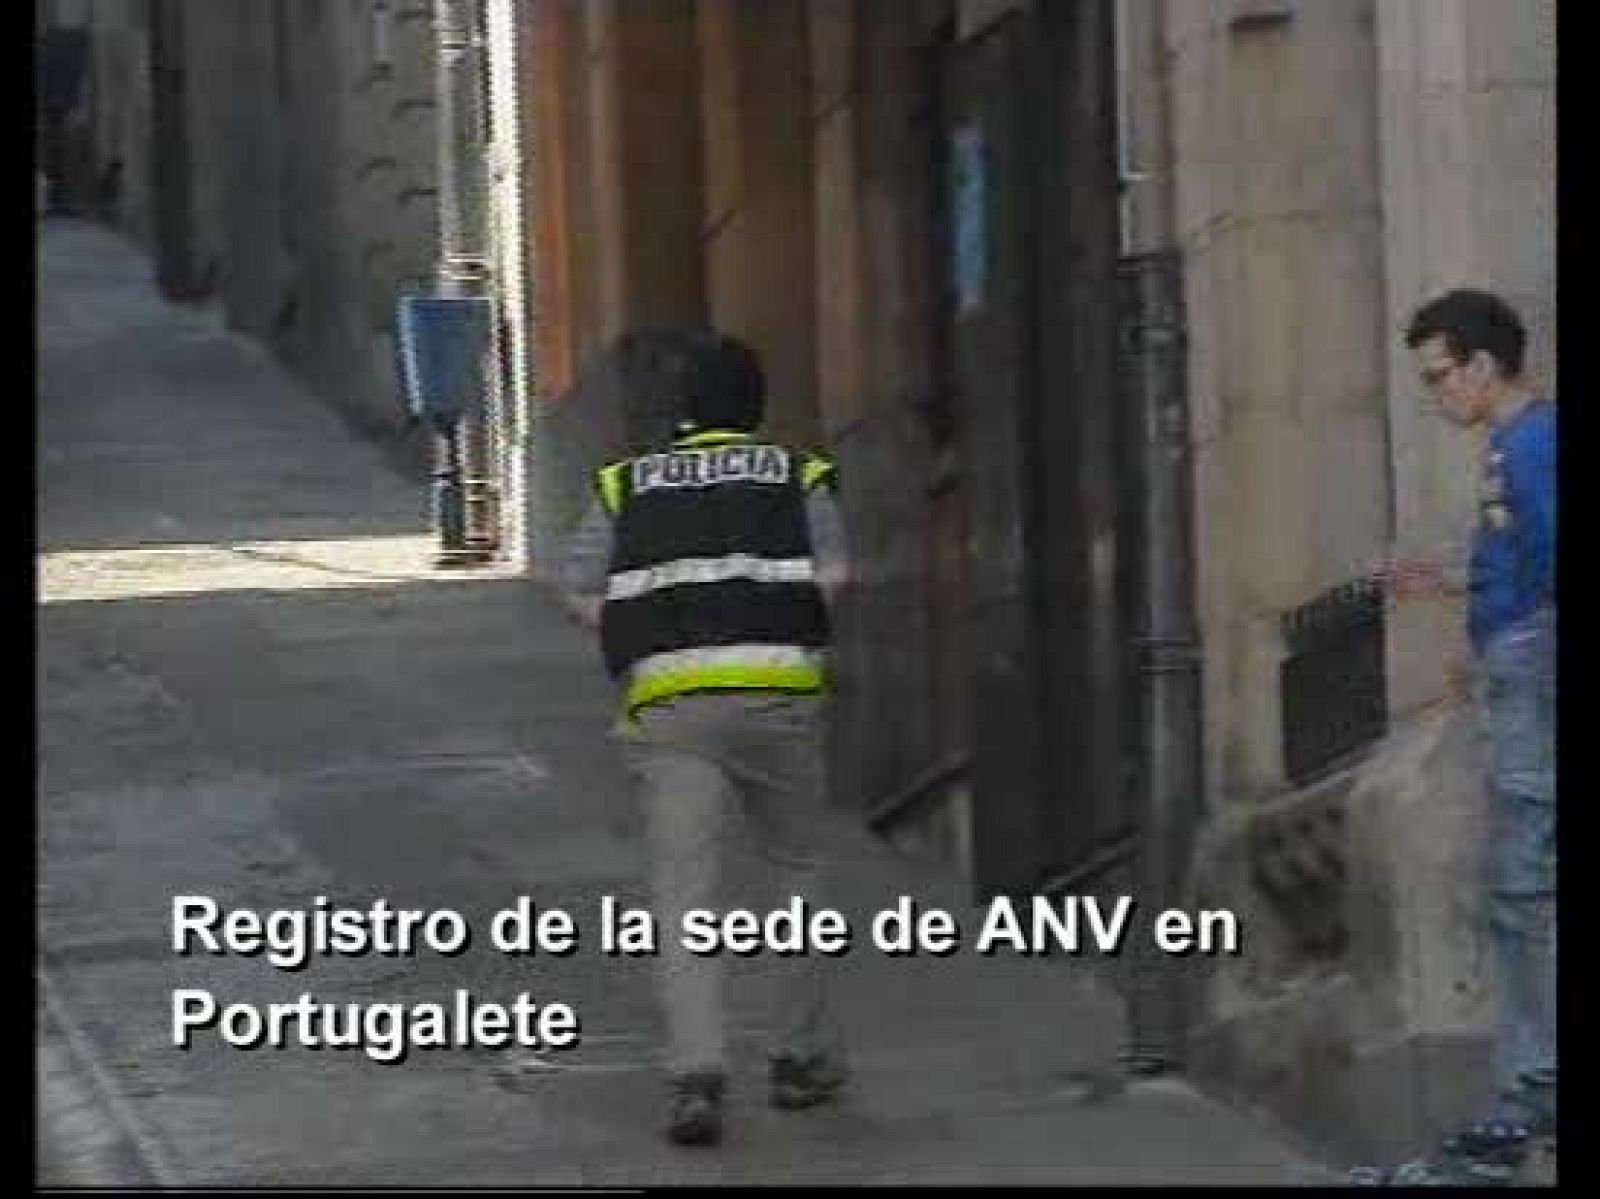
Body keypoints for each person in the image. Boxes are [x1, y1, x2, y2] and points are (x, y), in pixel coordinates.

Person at [560, 327, 851, 1147]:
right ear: (755, 408)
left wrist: (640, 647)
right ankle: (799, 1059)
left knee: (685, 893)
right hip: (780, 694)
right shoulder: (799, 476)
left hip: (672, 704)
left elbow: (581, 588)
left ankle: (697, 1074)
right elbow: (835, 577)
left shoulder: (627, 485)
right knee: (797, 872)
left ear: (682, 410)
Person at [1372, 288, 1556, 1181]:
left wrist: (1510, 651)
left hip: (1531, 667)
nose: (1436, 394)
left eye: (1440, 375)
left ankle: (1536, 1083)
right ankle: (1529, 1082)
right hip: (1514, 662)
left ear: (1483, 366)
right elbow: (1518, 562)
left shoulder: (1534, 446)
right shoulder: (1511, 449)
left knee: (1524, 881)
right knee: (1517, 884)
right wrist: (1455, 590)